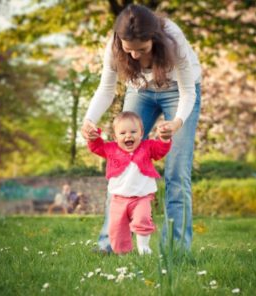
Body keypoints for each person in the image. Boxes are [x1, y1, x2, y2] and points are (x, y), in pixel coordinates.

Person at [81, 4, 201, 252]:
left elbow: (188, 92)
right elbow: (106, 89)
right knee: (120, 163)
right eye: (129, 50)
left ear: (155, 39)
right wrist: (89, 120)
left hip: (178, 92)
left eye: (142, 49)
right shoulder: (115, 44)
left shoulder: (173, 39)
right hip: (141, 91)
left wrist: (177, 123)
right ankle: (110, 244)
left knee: (177, 173)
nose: (134, 56)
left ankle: (176, 250)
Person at [87, 111, 171, 254]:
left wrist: (164, 139)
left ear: (141, 133)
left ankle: (143, 248)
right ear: (115, 137)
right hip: (118, 199)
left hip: (141, 197)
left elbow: (160, 150)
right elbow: (97, 147)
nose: (128, 136)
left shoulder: (147, 147)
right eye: (123, 133)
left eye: (133, 131)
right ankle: (122, 254)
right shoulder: (111, 149)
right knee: (116, 228)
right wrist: (93, 138)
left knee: (142, 219)